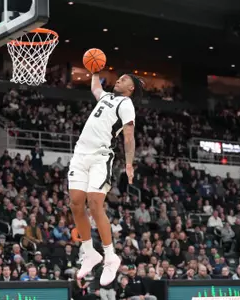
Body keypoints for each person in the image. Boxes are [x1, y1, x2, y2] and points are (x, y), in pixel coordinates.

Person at [68, 72, 141, 286]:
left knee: (95, 203)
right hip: (80, 154)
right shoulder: (107, 97)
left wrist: (129, 163)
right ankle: (90, 253)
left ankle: (110, 257)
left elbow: (129, 136)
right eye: (119, 77)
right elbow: (95, 88)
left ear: (132, 88)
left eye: (124, 79)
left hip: (101, 157)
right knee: (75, 204)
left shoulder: (126, 103)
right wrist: (95, 70)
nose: (119, 80)